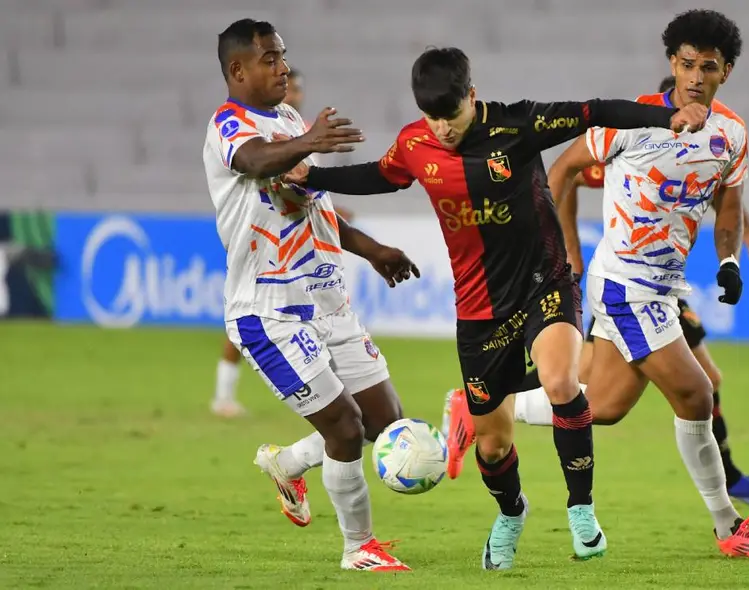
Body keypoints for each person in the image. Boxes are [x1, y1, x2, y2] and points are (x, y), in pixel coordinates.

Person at [283, 46, 710, 569]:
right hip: (480, 308)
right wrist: (313, 178)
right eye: (432, 117)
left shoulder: (519, 125)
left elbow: (595, 111)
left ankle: (581, 510)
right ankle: (511, 512)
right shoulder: (415, 144)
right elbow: (380, 175)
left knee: (561, 382)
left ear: (473, 95)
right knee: (491, 446)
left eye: (451, 114)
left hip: (544, 281)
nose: (442, 128)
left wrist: (669, 116)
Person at [441, 11, 749, 559]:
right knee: (697, 393)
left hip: (664, 287)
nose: (696, 76)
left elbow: (729, 210)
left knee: (603, 405)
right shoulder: (633, 121)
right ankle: (729, 529)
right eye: (687, 63)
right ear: (672, 62)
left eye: (709, 67)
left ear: (726, 71)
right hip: (625, 284)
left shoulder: (732, 135)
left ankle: (483, 405)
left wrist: (729, 263)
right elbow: (562, 169)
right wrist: (548, 246)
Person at [205, 18, 420, 572]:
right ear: (238, 70)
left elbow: (313, 201)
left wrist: (371, 249)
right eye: (270, 59)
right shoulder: (228, 125)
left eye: (282, 56)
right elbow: (255, 161)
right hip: (270, 311)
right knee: (344, 427)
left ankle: (288, 463)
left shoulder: (289, 120)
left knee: (383, 421)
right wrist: (308, 142)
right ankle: (358, 548)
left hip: (328, 301)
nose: (282, 68)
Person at [210, 67, 358, 418]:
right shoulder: (260, 131)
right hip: (264, 244)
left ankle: (329, 396)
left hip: (299, 248)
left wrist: (329, 210)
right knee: (252, 317)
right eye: (289, 88)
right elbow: (265, 178)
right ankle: (223, 394)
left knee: (309, 321)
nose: (293, 95)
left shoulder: (301, 129)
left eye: (298, 90)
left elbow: (303, 187)